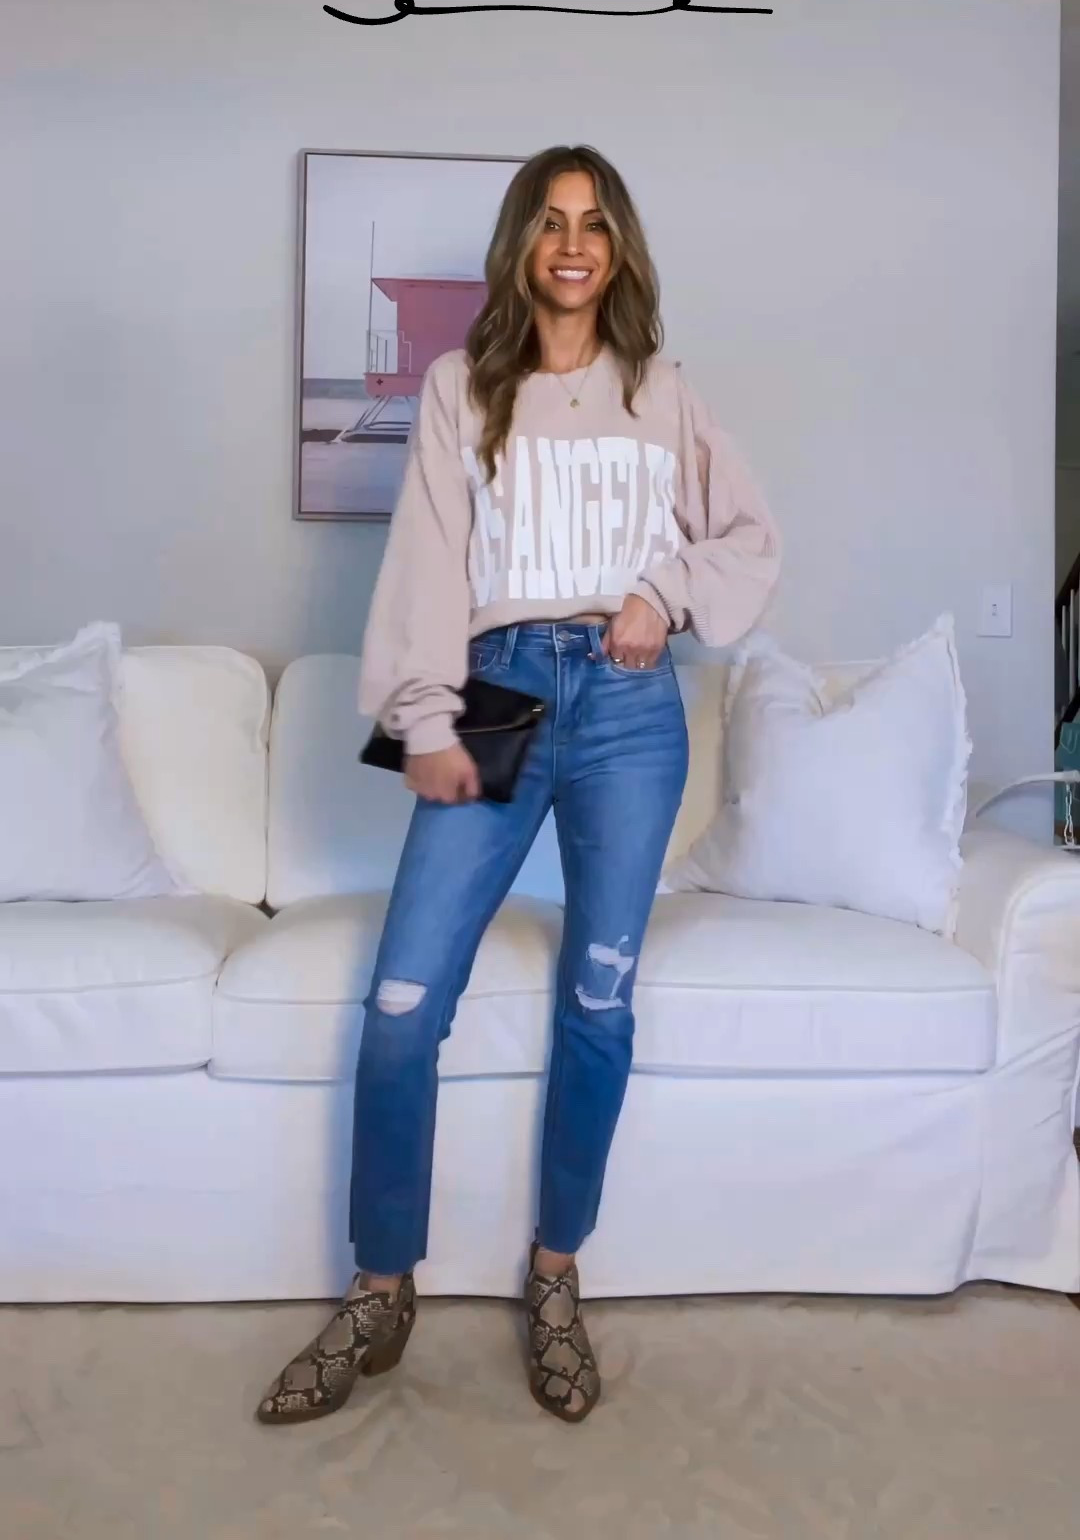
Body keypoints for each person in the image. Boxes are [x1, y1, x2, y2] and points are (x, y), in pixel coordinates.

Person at [258, 144, 781, 1427]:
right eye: (551, 221)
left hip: (627, 706)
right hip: (494, 693)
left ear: (619, 250)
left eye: (595, 223)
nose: (573, 242)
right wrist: (425, 714)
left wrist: (662, 595)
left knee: (599, 1002)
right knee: (401, 1003)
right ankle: (383, 1288)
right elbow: (430, 563)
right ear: (522, 244)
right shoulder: (462, 387)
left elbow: (750, 542)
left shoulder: (662, 390)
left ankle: (556, 1278)